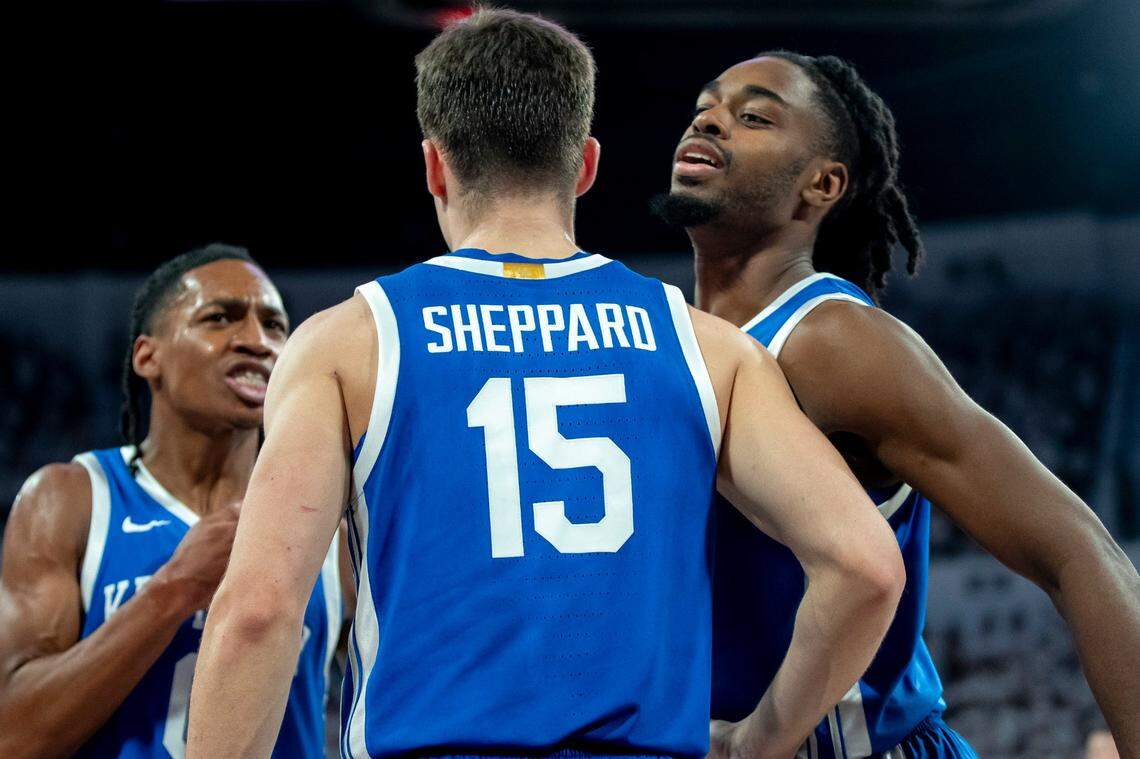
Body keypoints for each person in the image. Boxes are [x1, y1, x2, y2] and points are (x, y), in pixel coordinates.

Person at [187, 12, 905, 759]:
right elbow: (866, 566)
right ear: (586, 164)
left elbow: (260, 613)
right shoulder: (707, 348)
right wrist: (762, 740)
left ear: (435, 166)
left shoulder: (349, 341)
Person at [652, 51, 1140, 758]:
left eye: (753, 116)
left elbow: (1080, 550)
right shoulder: (672, 344)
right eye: (705, 106)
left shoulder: (835, 341)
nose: (711, 119)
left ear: (822, 184)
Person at [0, 244, 348, 758]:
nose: (256, 341)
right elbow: (14, 735)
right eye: (220, 318)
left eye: (274, 326)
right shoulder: (72, 499)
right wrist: (176, 588)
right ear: (148, 356)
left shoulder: (330, 525)